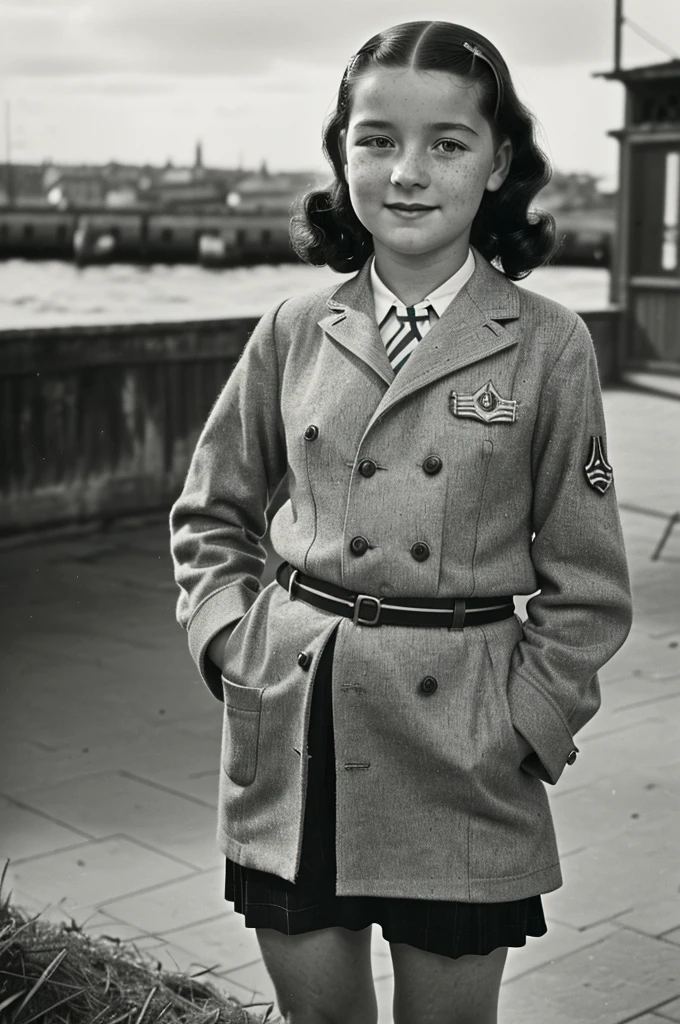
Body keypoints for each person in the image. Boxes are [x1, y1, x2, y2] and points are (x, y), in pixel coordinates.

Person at [169, 19, 633, 1024]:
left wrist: (525, 722)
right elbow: (209, 513)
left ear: (497, 160)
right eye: (376, 138)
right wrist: (230, 645)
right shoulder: (293, 327)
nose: (407, 172)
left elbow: (589, 583)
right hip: (295, 713)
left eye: (446, 143)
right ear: (341, 152)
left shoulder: (549, 344)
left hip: (462, 734)